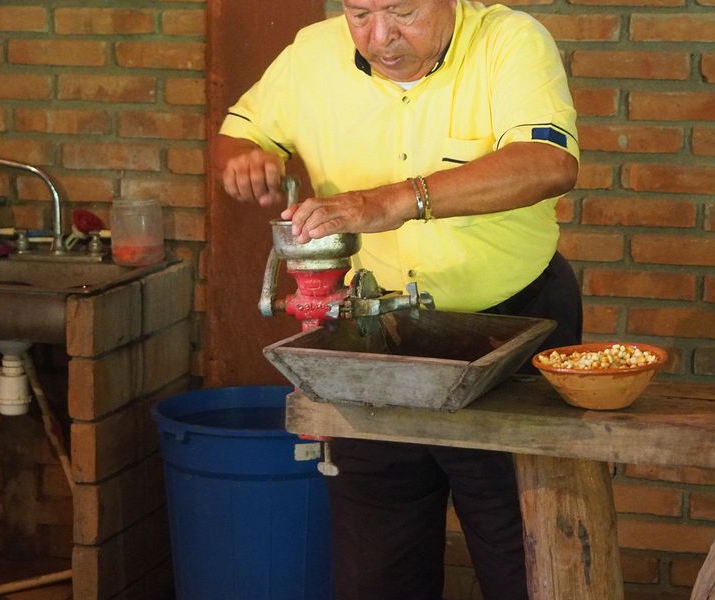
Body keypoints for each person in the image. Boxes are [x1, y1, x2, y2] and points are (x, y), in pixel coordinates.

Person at [213, 1, 582, 598]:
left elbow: (549, 164)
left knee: (523, 546)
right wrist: (248, 160)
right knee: (377, 554)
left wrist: (387, 201)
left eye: (403, 12)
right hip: (373, 332)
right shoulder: (313, 52)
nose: (380, 37)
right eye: (360, 14)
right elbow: (241, 134)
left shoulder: (510, 41)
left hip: (511, 326)